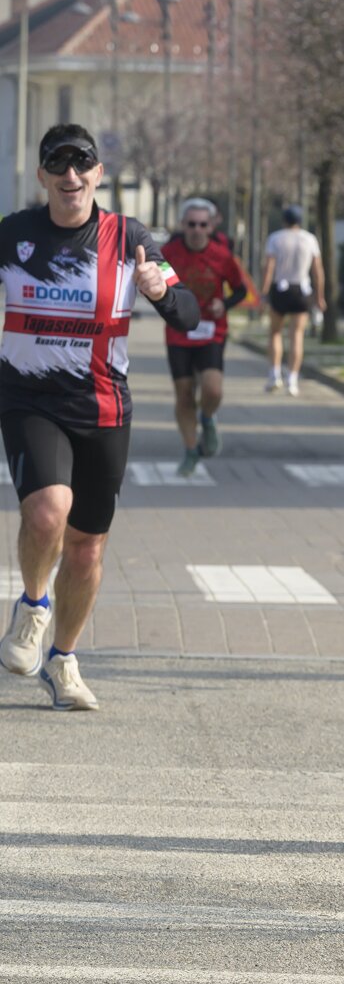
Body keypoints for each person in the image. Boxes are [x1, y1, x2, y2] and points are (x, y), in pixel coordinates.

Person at [0, 124, 200, 711]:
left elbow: (188, 314)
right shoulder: (13, 234)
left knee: (87, 547)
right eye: (58, 165)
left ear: (97, 174)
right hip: (29, 399)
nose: (71, 176)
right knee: (48, 511)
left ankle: (62, 661)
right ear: (42, 175)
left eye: (81, 164)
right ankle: (33, 606)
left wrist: (159, 290)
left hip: (103, 406)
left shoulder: (128, 237)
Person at [161, 198, 248, 476]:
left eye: (202, 224)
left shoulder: (222, 256)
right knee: (184, 393)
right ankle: (191, 450)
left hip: (211, 330)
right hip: (178, 333)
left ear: (211, 227)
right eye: (191, 224)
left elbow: (241, 290)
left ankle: (208, 419)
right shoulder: (167, 254)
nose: (197, 230)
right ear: (182, 225)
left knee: (213, 389)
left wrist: (225, 304)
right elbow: (156, 284)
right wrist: (166, 301)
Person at [260, 204, 324, 396]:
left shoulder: (276, 238)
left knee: (275, 333)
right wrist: (319, 296)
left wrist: (264, 293)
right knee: (297, 335)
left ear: (284, 220)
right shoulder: (310, 239)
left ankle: (274, 374)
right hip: (301, 289)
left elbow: (269, 268)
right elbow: (317, 271)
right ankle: (292, 379)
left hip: (281, 288)